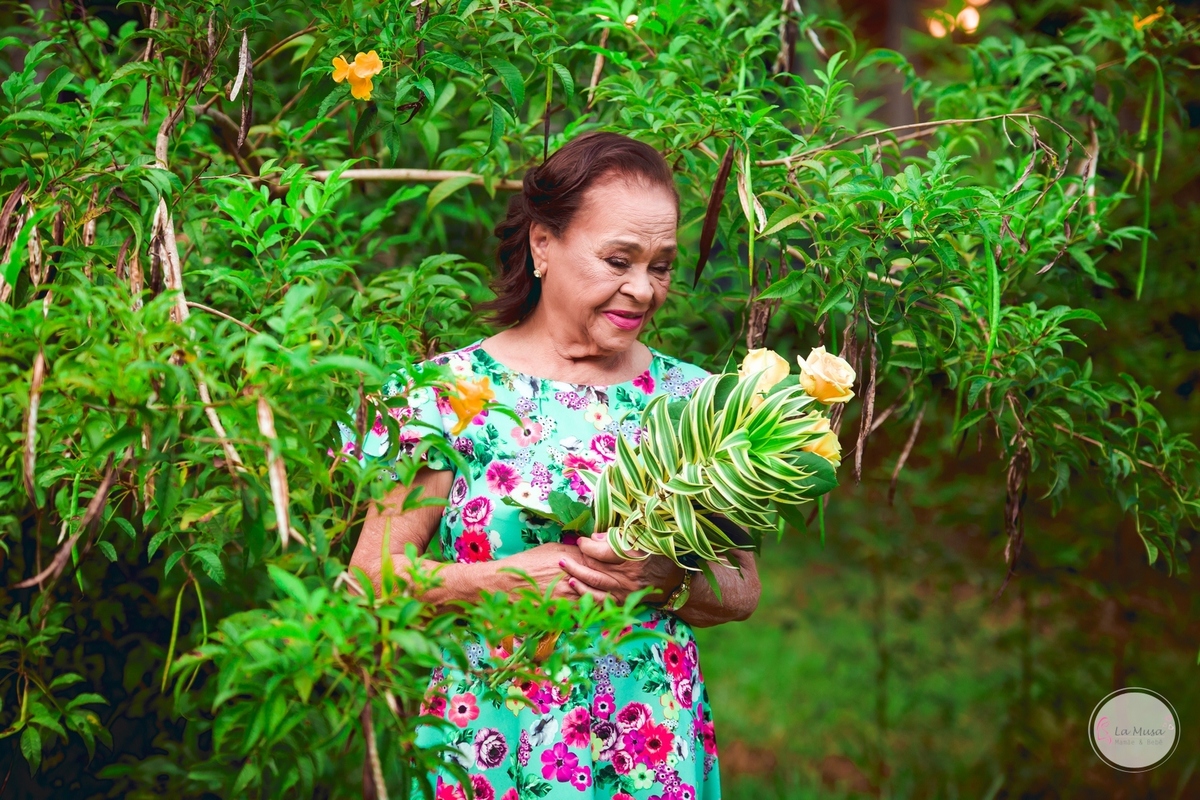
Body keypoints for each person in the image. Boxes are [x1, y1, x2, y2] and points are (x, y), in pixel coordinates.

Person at [343, 131, 761, 800]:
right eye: (618, 260)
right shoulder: (440, 396)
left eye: (660, 266)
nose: (642, 290)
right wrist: (498, 582)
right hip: (491, 737)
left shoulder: (698, 402)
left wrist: (662, 581)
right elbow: (369, 584)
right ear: (543, 243)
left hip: (647, 743)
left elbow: (741, 588)